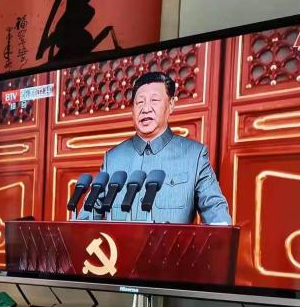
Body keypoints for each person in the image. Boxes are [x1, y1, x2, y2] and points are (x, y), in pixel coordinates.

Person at [80, 71, 231, 224]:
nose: (146, 108)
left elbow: (216, 214)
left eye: (154, 100)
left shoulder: (194, 156)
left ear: (171, 105)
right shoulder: (113, 158)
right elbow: (85, 219)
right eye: (140, 102)